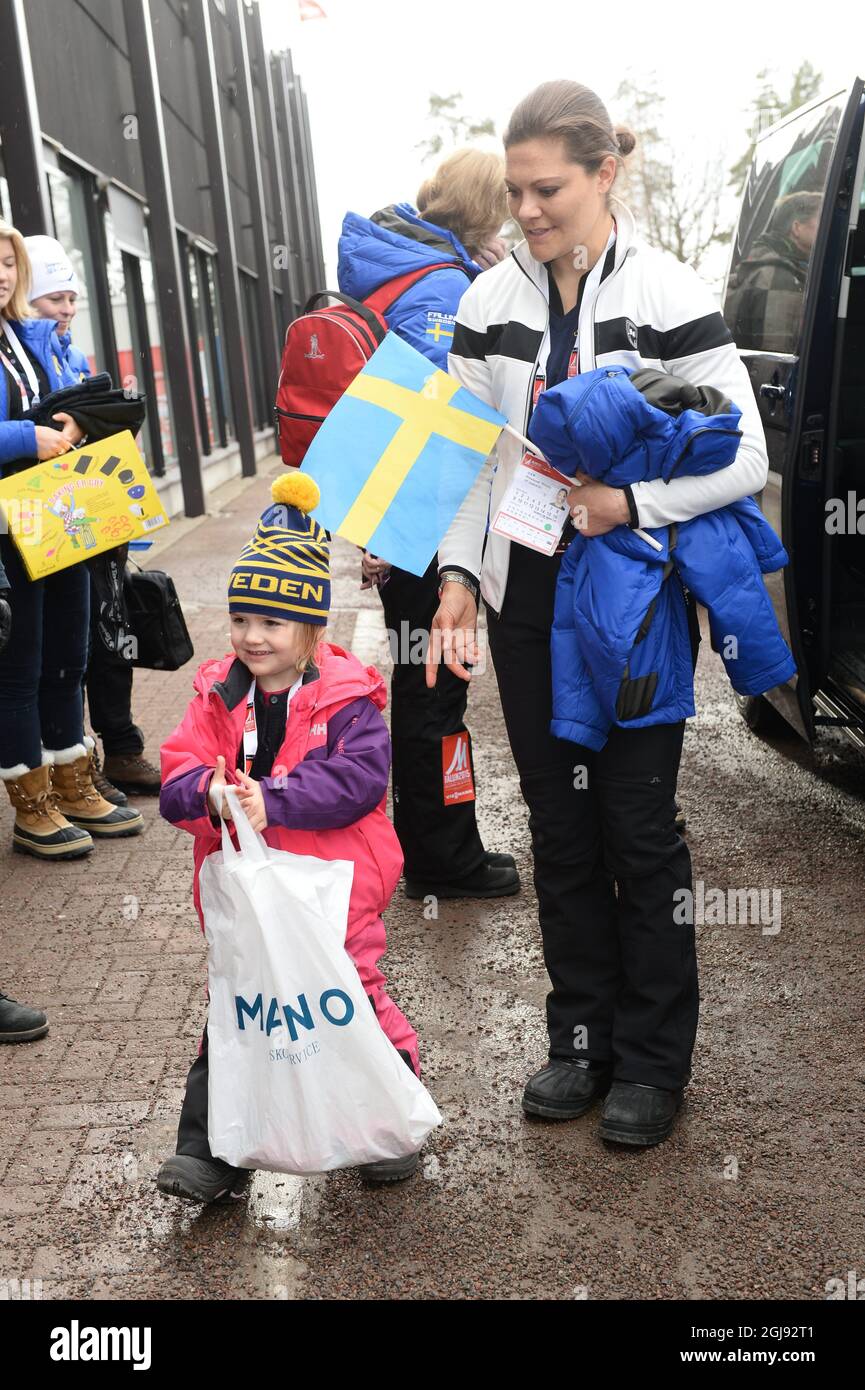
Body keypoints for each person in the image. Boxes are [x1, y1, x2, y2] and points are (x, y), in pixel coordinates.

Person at [427, 82, 771, 1147]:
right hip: (527, 593)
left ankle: (654, 1061)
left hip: (633, 597)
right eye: (516, 189)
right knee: (560, 826)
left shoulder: (671, 291)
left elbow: (747, 458)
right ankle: (579, 1040)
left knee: (636, 827)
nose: (525, 209)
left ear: (603, 172)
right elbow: (463, 455)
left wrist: (633, 502)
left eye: (548, 189)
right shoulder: (487, 301)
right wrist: (452, 581)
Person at [156, 471, 422, 1202]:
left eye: (271, 623)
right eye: (242, 620)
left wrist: (272, 801)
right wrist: (209, 798)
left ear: (310, 629)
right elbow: (176, 772)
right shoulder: (217, 693)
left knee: (348, 999)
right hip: (247, 895)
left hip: (335, 887)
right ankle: (212, 1151)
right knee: (240, 1008)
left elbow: (358, 782)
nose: (251, 637)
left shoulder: (348, 699)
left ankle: (387, 1116)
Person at [337, 149, 520, 900]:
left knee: (421, 684)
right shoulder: (443, 286)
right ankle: (444, 858)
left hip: (395, 508)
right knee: (435, 689)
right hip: (427, 516)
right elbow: (453, 419)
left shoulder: (398, 269)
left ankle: (436, 845)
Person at [0, 220, 142, 856]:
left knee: (69, 654)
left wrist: (80, 421)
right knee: (19, 667)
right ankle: (31, 806)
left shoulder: (27, 337)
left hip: (57, 510)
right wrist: (31, 438)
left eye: (10, 262)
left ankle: (73, 781)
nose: (4, 272)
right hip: (9, 524)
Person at [25, 234, 162, 805]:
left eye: (72, 299)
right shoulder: (26, 357)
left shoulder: (71, 356)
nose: (67, 309)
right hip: (46, 522)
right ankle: (78, 759)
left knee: (111, 634)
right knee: (68, 649)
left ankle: (120, 747)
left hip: (90, 517)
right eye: (54, 299)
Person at [724, 191, 822, 354]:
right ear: (797, 228)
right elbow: (775, 356)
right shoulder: (780, 277)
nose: (829, 227)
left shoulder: (771, 266)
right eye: (822, 220)